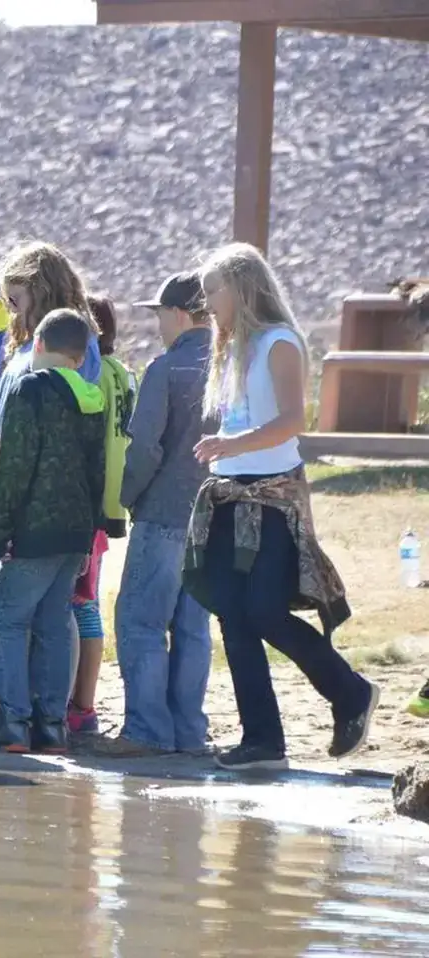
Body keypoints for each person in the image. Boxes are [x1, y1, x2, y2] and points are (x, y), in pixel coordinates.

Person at [183, 243, 378, 771]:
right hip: (227, 493)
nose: (206, 305)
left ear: (242, 288)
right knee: (232, 612)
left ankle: (351, 692)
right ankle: (263, 741)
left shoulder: (278, 342)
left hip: (271, 496)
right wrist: (226, 450)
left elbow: (294, 420)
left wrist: (232, 444)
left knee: (265, 609)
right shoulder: (229, 348)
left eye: (212, 292)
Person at [0, 309, 105, 754]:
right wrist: (91, 532)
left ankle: (13, 722)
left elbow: (14, 466)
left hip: (33, 529)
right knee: (55, 622)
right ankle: (52, 724)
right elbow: (99, 471)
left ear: (37, 345)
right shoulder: (91, 396)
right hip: (75, 533)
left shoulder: (27, 389)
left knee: (8, 622)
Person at [108, 270, 215, 756]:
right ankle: (188, 733)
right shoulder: (231, 366)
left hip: (164, 513)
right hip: (213, 518)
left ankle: (149, 732)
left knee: (140, 621)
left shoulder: (166, 369)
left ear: (178, 314)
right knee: (193, 628)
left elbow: (145, 448)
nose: (158, 327)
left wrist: (128, 497)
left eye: (159, 316)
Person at [0, 242, 101, 482]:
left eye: (15, 300)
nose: (12, 310)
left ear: (41, 291)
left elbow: (62, 413)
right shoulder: (27, 344)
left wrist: (10, 442)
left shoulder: (75, 340)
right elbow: (10, 404)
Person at [66, 294, 135, 735]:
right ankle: (80, 704)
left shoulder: (95, 378)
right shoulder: (126, 374)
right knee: (85, 603)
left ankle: (83, 708)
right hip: (111, 502)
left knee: (83, 606)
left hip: (88, 504)